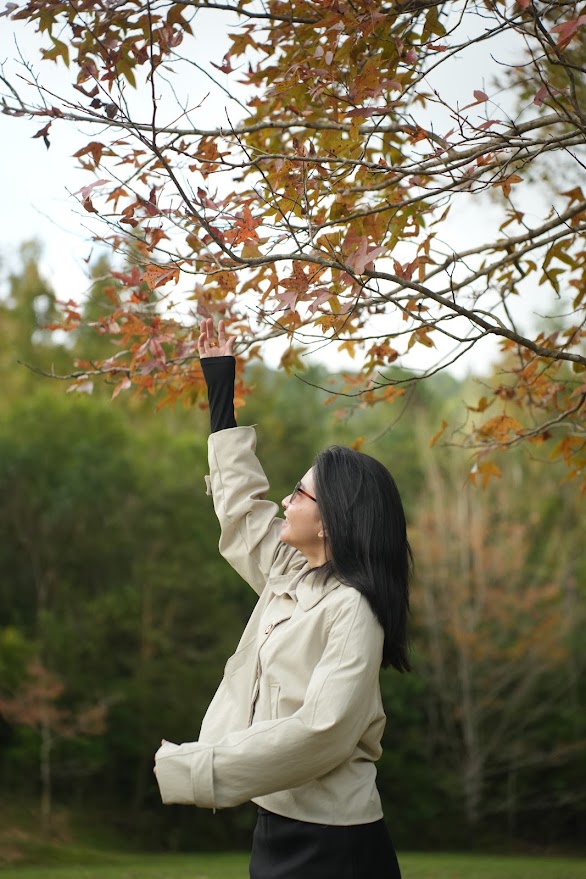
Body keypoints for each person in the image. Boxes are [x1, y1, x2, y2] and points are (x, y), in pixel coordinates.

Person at [154, 319, 412, 879]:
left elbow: (321, 732)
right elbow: (241, 510)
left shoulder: (353, 609)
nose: (286, 502)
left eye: (299, 493)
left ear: (330, 521)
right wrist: (219, 386)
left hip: (334, 843)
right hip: (277, 824)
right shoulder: (291, 572)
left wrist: (200, 769)